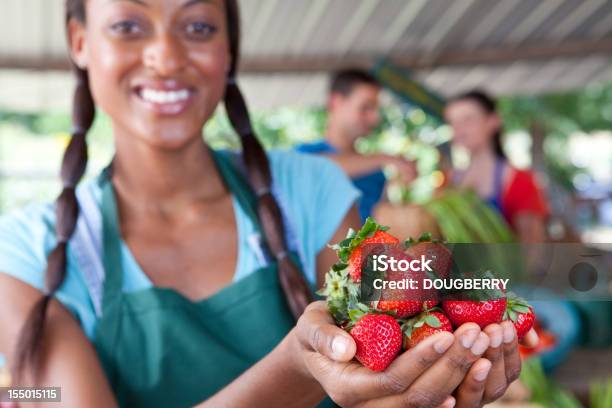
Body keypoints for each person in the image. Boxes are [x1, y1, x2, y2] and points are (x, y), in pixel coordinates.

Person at [0, 1, 535, 407]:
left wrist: (431, 362)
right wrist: (295, 369)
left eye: (198, 27)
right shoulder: (24, 256)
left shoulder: (311, 190)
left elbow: (382, 343)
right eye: (128, 25)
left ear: (229, 48)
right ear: (79, 41)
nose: (165, 57)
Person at [297, 69, 416, 222]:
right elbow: (319, 168)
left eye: (376, 109)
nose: (375, 118)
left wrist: (399, 183)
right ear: (336, 102)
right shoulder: (303, 156)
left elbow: (384, 224)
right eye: (366, 107)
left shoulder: (375, 171)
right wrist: (387, 159)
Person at [444, 90, 549, 243]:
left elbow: (533, 251)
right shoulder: (449, 180)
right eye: (452, 122)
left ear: (493, 121)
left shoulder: (520, 181)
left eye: (467, 120)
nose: (459, 130)